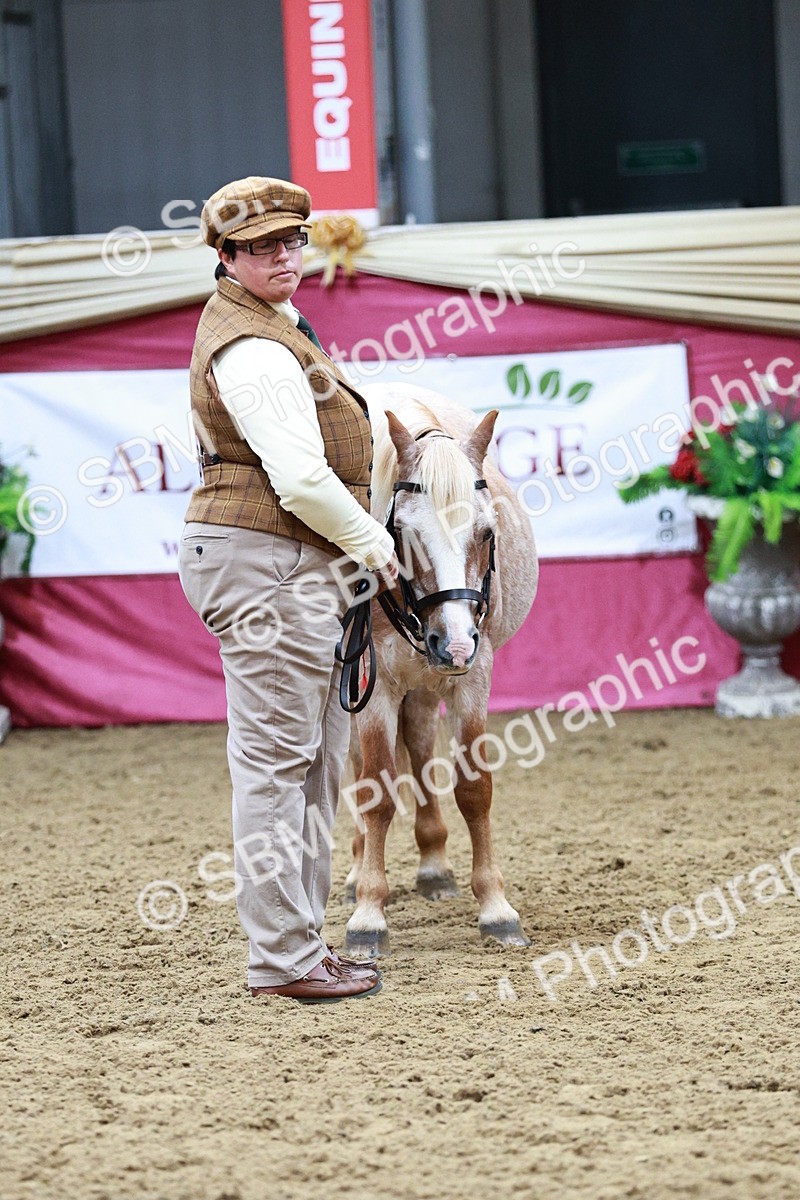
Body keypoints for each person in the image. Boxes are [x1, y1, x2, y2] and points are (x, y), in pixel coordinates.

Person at [178, 175, 398, 1003]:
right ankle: (281, 959)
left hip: (286, 560)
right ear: (226, 256)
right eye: (264, 245)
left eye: (294, 240)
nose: (285, 255)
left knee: (313, 768)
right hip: (267, 559)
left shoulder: (272, 324)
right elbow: (301, 480)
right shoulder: (254, 345)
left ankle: (300, 945)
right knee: (278, 768)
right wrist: (376, 545)